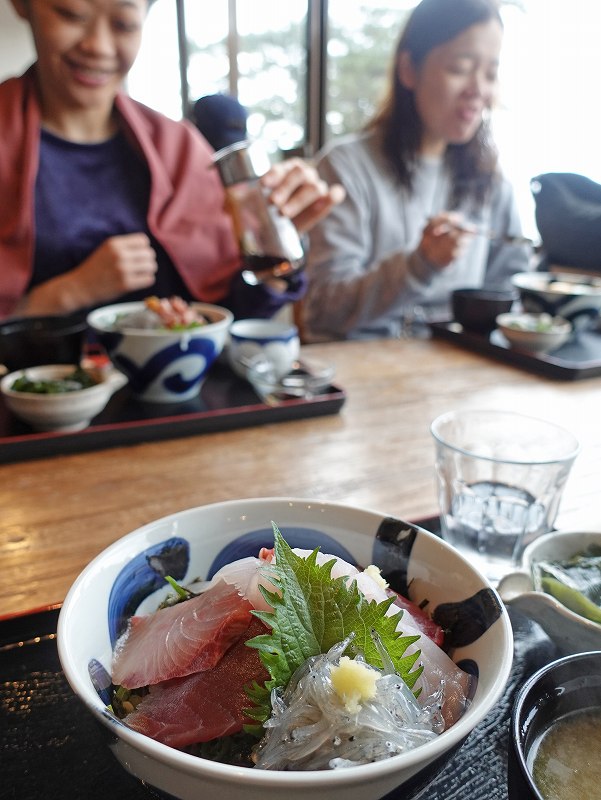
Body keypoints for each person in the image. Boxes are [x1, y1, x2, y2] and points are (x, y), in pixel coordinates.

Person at [0, 0, 344, 321]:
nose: (98, 47)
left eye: (124, 25)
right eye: (71, 14)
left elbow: (233, 310)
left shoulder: (178, 148)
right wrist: (69, 292)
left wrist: (276, 243)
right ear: (21, 5)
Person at [302, 0, 530, 341]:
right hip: (362, 371)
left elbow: (510, 290)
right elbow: (323, 308)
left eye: (491, 74)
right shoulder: (345, 167)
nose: (478, 90)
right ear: (409, 69)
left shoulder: (491, 182)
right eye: (460, 67)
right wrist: (420, 264)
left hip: (459, 374)